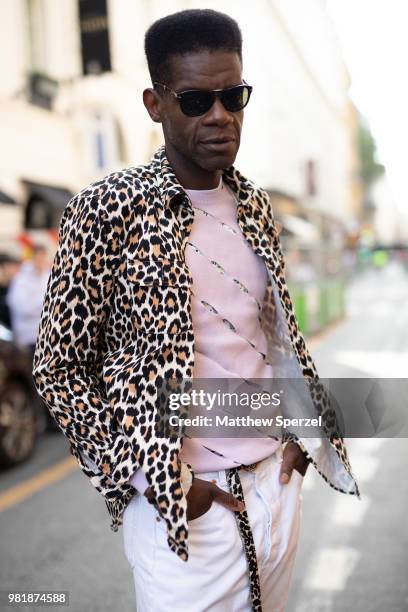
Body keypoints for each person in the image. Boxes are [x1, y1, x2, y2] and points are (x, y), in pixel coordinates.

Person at [33, 9, 359, 612]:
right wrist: (155, 481)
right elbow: (59, 369)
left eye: (233, 96)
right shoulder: (110, 209)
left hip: (275, 486)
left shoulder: (257, 204)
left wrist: (299, 437)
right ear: (155, 103)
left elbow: (273, 338)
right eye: (196, 100)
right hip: (183, 515)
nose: (220, 116)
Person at [7, 244, 50, 356]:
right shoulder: (21, 279)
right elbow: (23, 308)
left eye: (43, 256)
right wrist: (45, 300)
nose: (41, 260)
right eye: (39, 256)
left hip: (48, 337)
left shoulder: (48, 276)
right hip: (28, 339)